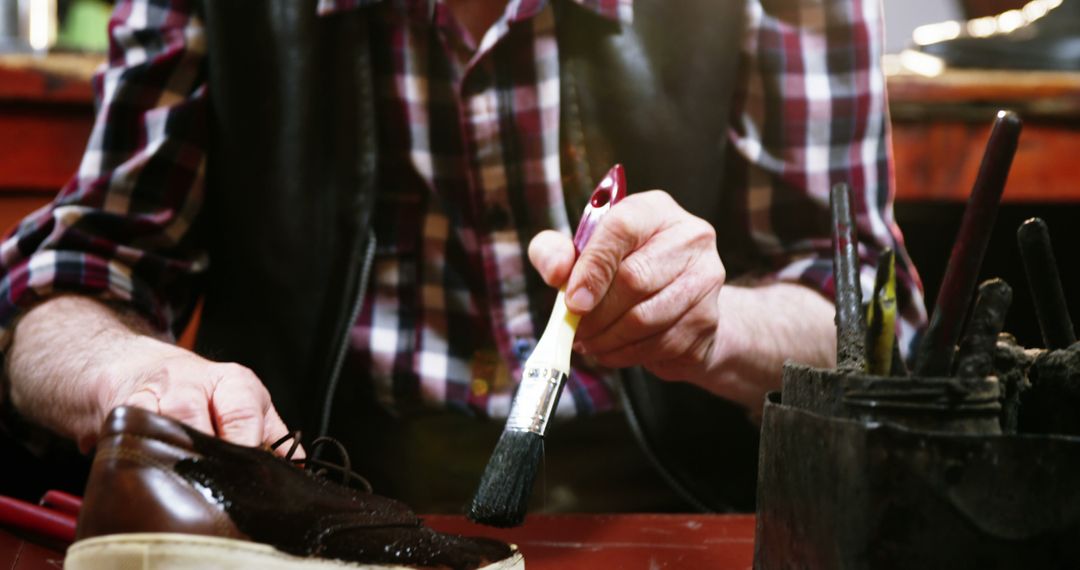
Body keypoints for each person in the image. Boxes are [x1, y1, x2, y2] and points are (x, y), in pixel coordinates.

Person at [0, 0, 925, 511]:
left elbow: (877, 332)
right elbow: (66, 279)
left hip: (674, 514)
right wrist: (128, 372)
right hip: (324, 513)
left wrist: (719, 327)